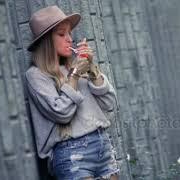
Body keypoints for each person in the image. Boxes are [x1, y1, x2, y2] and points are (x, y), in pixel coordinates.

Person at [25, 5, 120, 180]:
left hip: (102, 144)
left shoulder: (75, 65)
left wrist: (92, 69)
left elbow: (109, 104)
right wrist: (75, 75)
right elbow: (62, 113)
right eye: (62, 34)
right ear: (46, 40)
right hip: (71, 152)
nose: (70, 39)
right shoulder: (36, 75)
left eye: (70, 33)